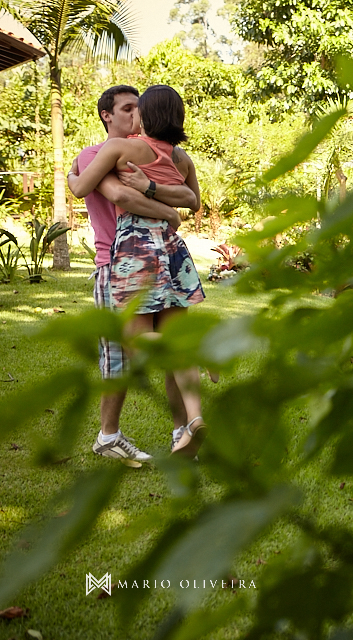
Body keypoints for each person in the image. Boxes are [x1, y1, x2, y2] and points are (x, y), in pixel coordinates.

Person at [69, 84, 208, 459]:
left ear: (148, 115)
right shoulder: (96, 153)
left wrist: (71, 177)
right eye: (126, 108)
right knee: (123, 355)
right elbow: (178, 200)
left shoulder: (124, 152)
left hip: (135, 254)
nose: (133, 115)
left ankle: (182, 429)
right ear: (107, 115)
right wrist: (167, 209)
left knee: (137, 347)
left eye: (137, 108)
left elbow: (116, 195)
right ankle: (115, 434)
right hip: (142, 256)